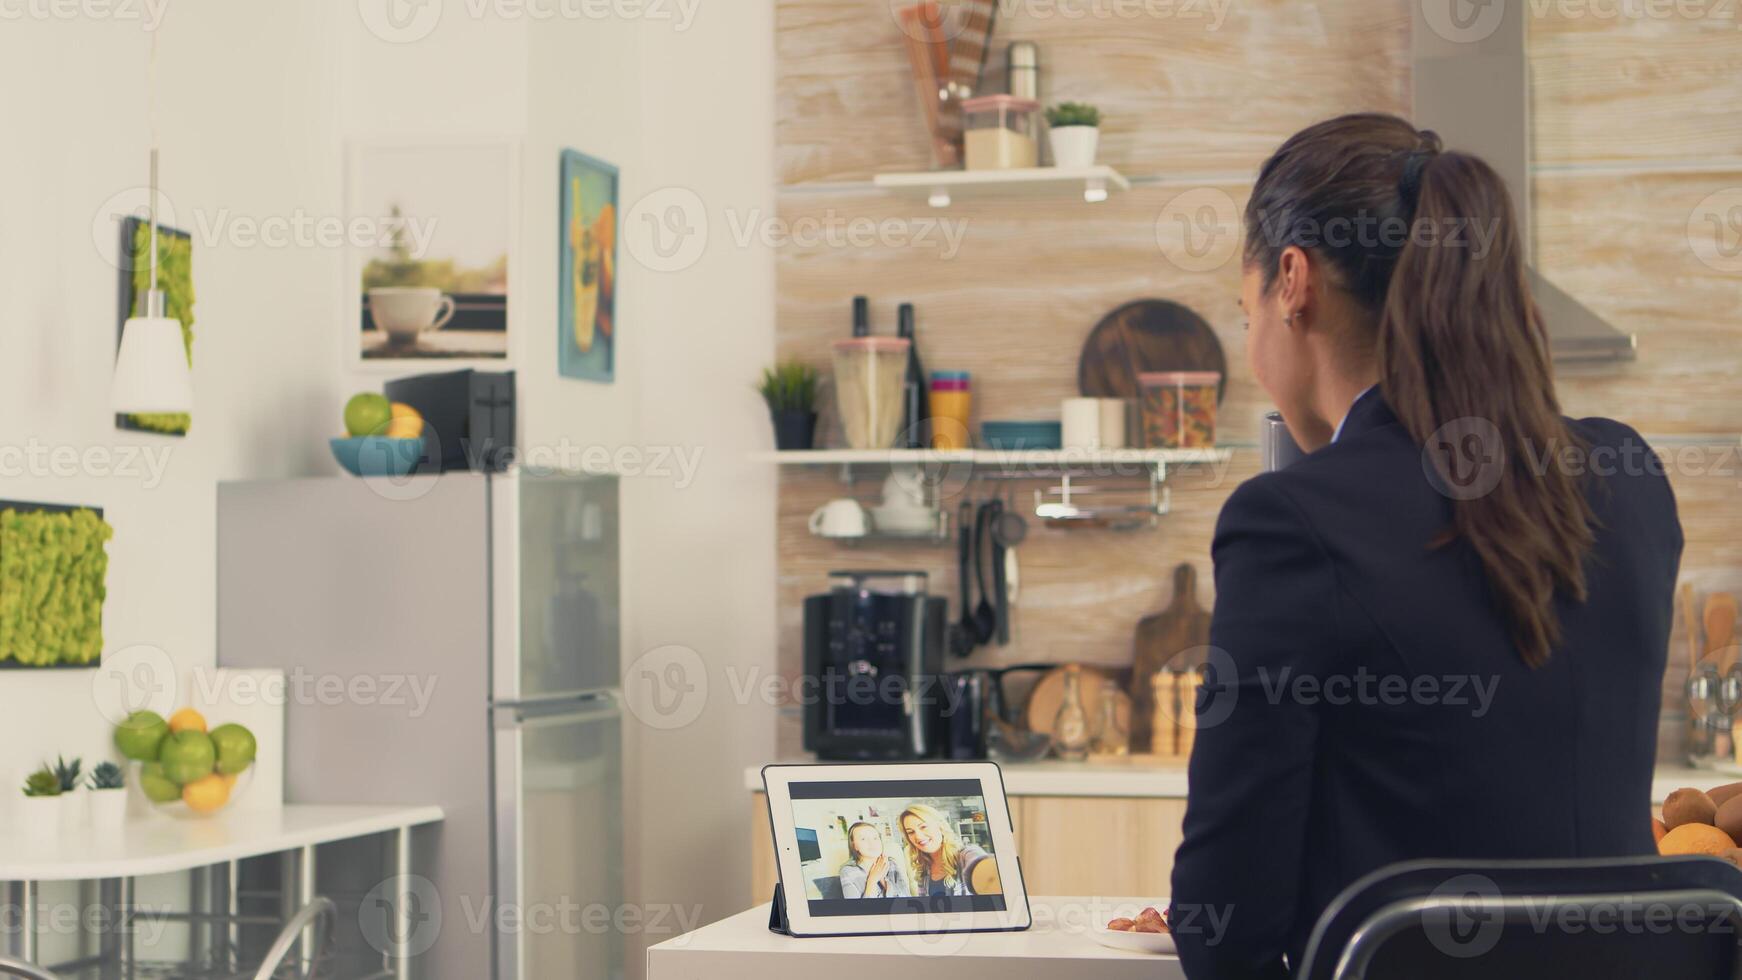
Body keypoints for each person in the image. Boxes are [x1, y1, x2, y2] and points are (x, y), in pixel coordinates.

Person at [1168, 113, 1682, 979]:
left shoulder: (1289, 522)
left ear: (1293, 281)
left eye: (1244, 307)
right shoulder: (1632, 481)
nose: (1252, 342)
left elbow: (1225, 930)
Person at [899, 803, 991, 897]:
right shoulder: (924, 868)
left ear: (940, 826)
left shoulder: (965, 855)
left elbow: (986, 870)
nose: (918, 836)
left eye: (923, 827)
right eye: (910, 832)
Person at [837, 821, 908, 899]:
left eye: (875, 838)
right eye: (863, 839)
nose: (872, 843)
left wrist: (883, 880)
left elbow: (907, 899)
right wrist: (872, 880)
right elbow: (856, 909)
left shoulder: (891, 864)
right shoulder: (848, 871)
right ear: (854, 846)